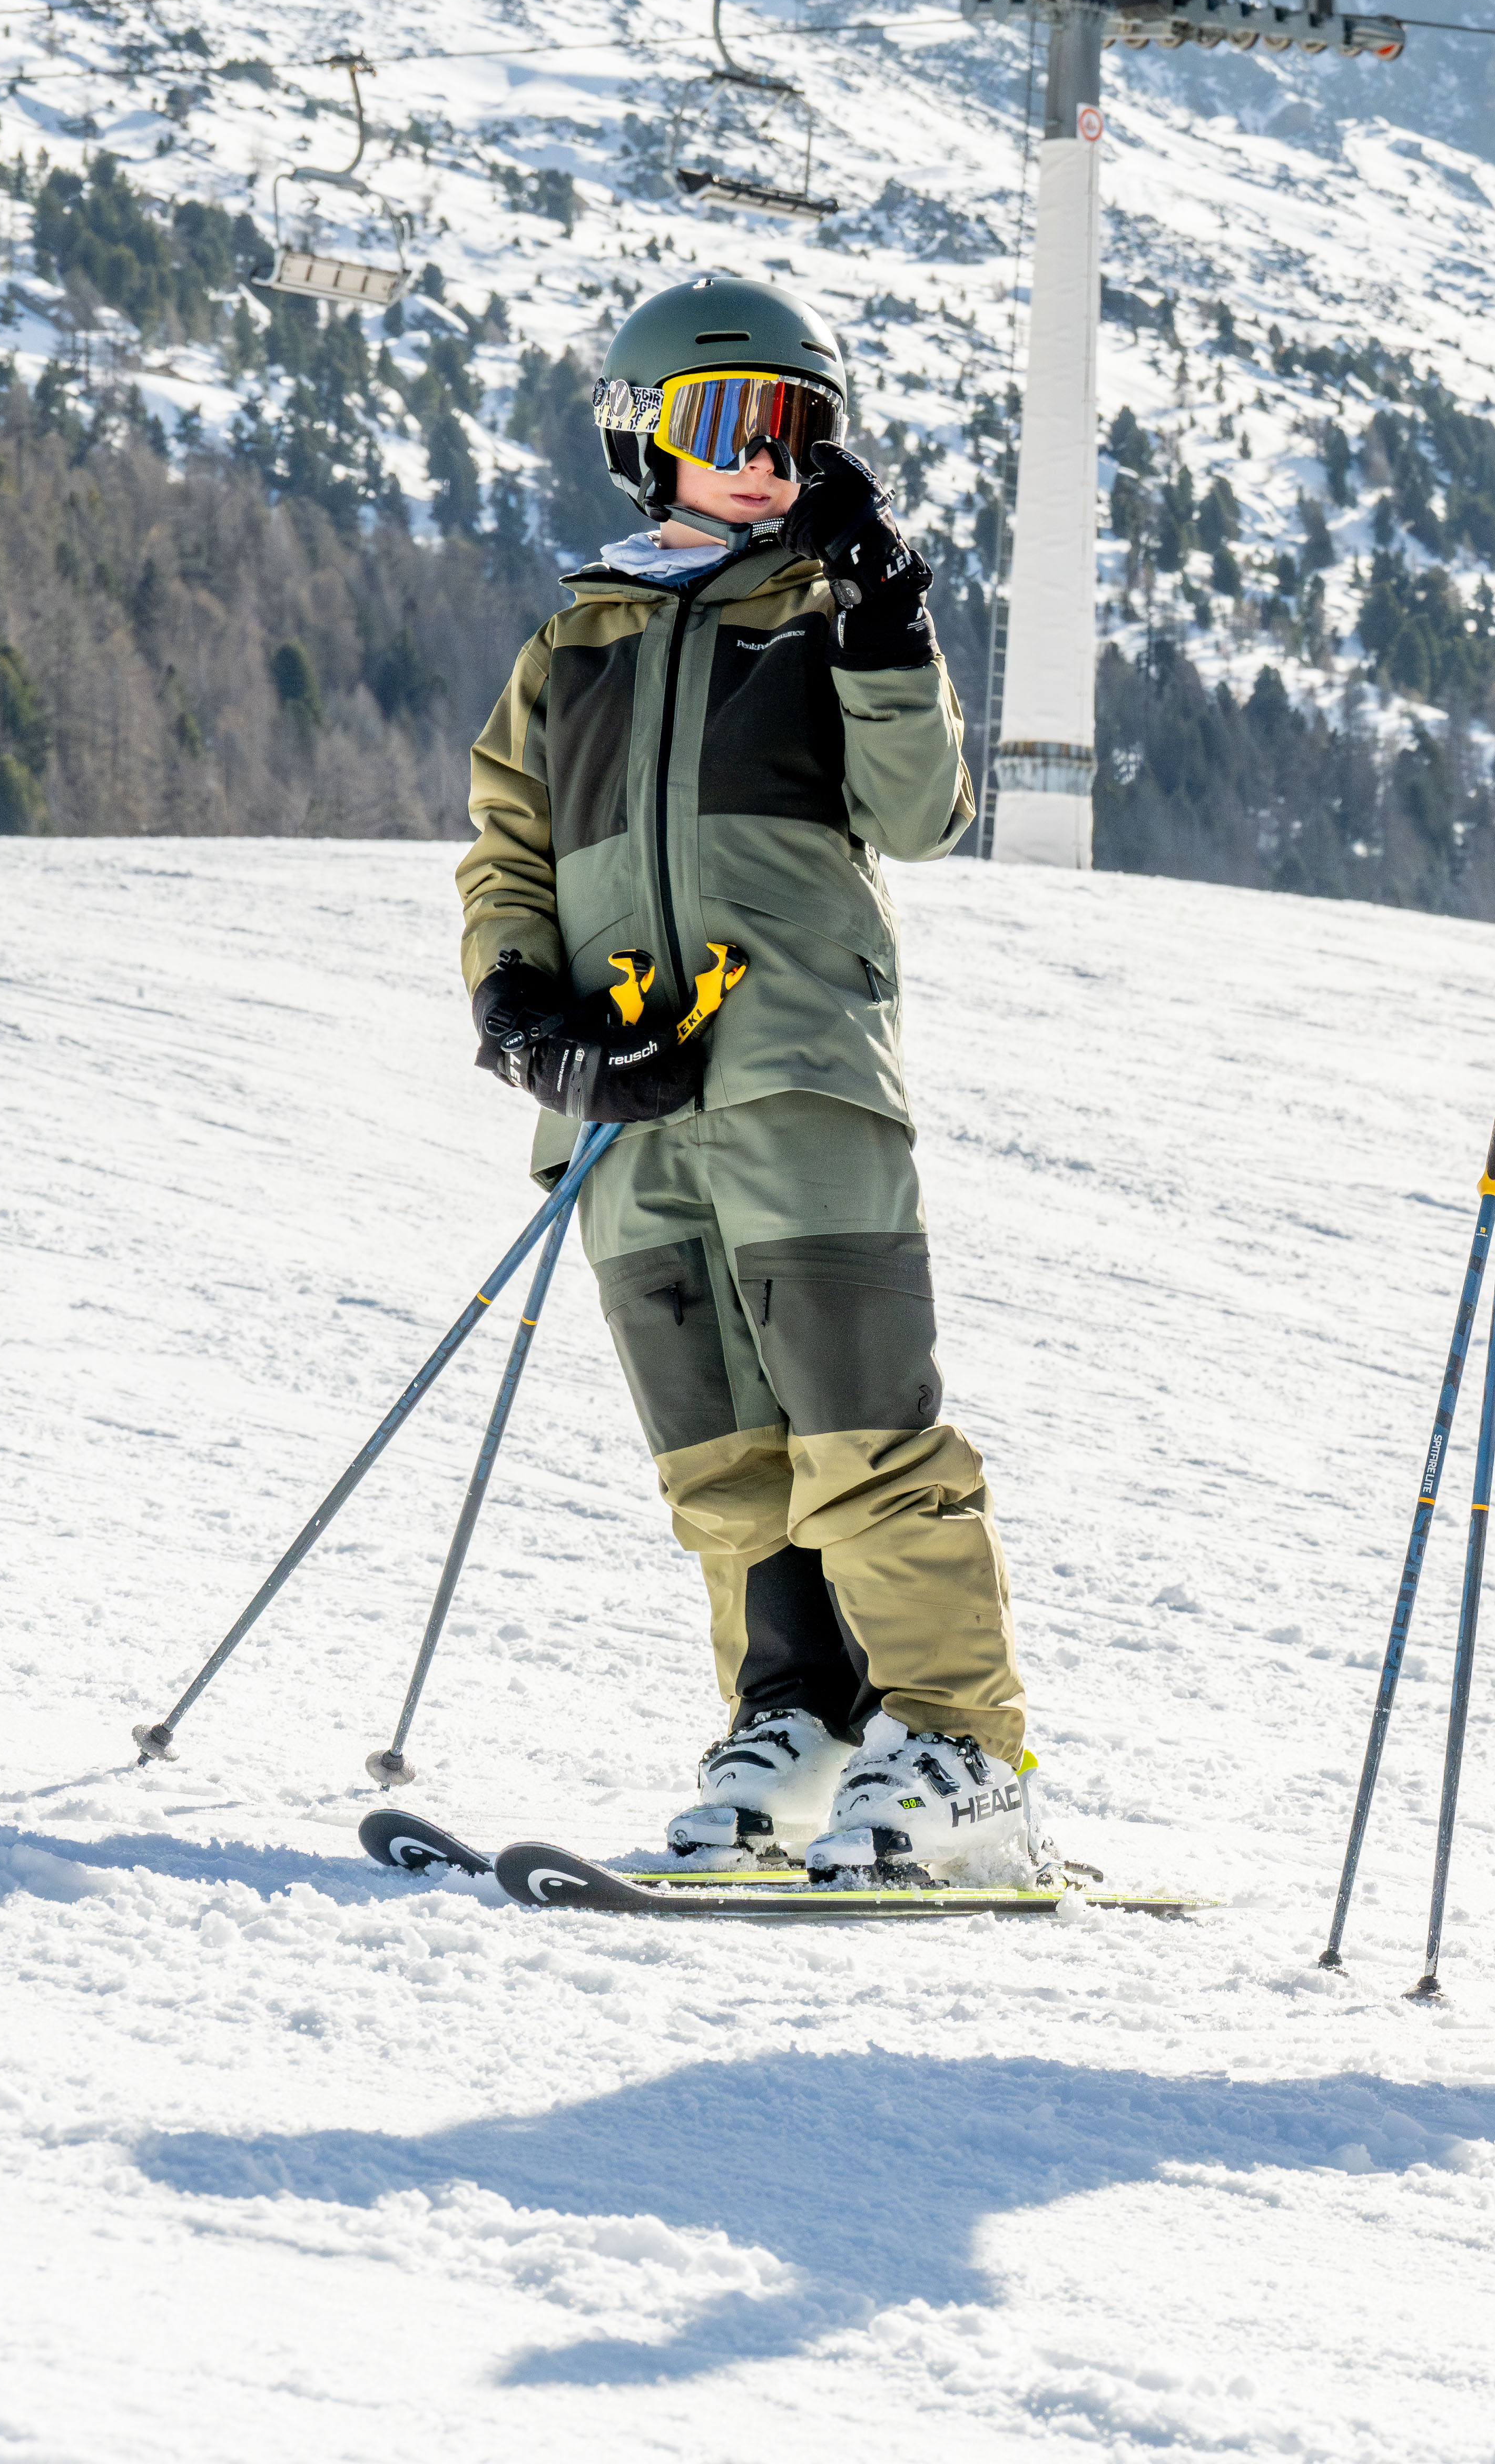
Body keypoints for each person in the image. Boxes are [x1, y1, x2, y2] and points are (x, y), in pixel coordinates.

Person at [453, 273, 1040, 1885]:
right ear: (645, 436)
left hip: (798, 1083)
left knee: (861, 1428)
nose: (764, 458)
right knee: (721, 1458)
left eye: (796, 427)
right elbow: (507, 854)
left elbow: (920, 815)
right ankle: (797, 1720)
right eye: (725, 422)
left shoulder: (830, 614)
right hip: (626, 1113)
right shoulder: (573, 645)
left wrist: (887, 619)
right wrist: (527, 1016)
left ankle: (962, 1752)